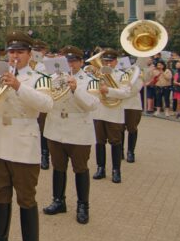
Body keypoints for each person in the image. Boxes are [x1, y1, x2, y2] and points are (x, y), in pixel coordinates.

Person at [0, 32, 54, 241]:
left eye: (20, 52)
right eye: (11, 52)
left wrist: (19, 86)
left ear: (29, 54)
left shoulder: (40, 76)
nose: (14, 56)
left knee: (26, 199)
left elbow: (46, 104)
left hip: (23, 143)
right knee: (1, 196)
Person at [42, 46, 99, 225]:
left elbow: (92, 104)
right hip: (56, 127)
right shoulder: (52, 78)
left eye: (73, 60)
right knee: (58, 167)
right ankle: (58, 201)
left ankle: (83, 205)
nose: (70, 64)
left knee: (80, 168)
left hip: (78, 129)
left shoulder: (90, 79)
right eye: (66, 61)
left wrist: (76, 90)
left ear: (81, 62)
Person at [92, 49, 132, 184]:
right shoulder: (98, 74)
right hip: (99, 111)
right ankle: (100, 168)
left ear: (116, 62)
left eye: (110, 61)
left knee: (115, 142)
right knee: (99, 142)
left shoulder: (123, 75)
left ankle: (116, 170)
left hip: (114, 113)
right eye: (105, 61)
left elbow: (126, 93)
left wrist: (108, 90)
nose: (107, 63)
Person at [31, 39, 51, 170]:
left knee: (43, 128)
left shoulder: (48, 63)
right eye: (35, 50)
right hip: (30, 98)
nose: (37, 52)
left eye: (39, 50)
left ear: (44, 51)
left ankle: (45, 155)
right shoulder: (29, 63)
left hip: (42, 96)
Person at [123, 58, 146, 164]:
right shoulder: (121, 71)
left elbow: (135, 88)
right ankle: (120, 151)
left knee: (132, 128)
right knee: (119, 128)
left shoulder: (139, 72)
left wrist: (119, 92)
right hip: (121, 104)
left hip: (132, 105)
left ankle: (131, 152)